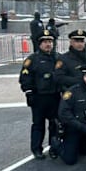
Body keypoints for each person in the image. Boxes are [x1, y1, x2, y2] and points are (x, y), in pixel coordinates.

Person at [18, 30, 59, 159]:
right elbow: (25, 77)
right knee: (38, 125)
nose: (48, 44)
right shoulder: (32, 60)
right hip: (39, 97)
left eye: (50, 42)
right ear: (40, 44)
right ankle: (37, 149)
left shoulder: (58, 58)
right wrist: (29, 92)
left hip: (55, 96)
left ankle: (54, 148)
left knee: (55, 125)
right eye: (45, 42)